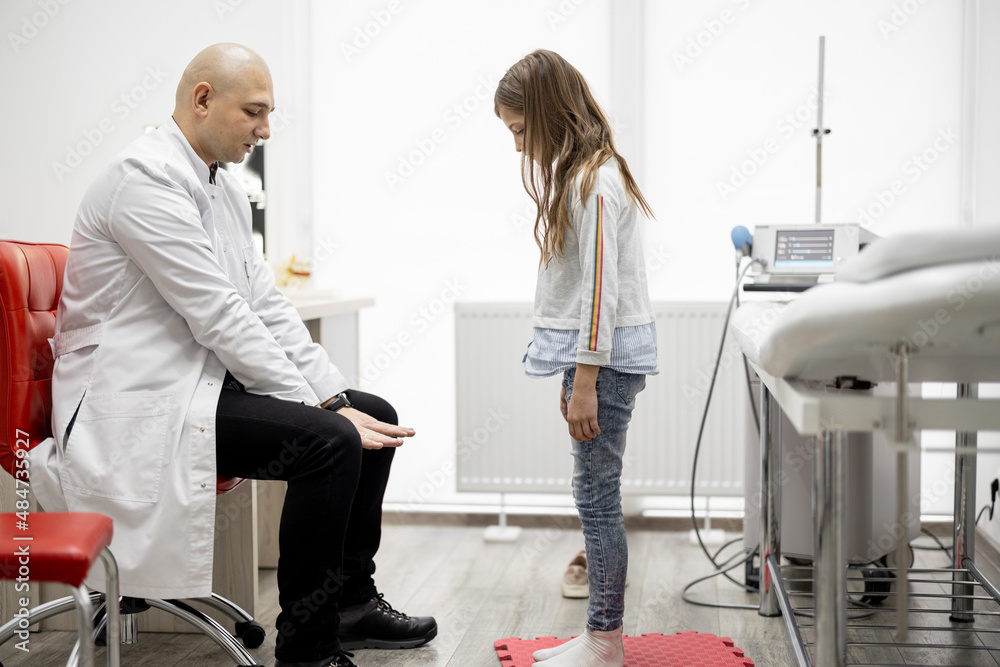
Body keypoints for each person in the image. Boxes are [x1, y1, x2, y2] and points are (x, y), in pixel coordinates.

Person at [29, 43, 436, 667]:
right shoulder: (143, 180)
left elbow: (264, 304)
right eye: (254, 112)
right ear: (201, 100)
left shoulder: (221, 189)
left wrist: (335, 395)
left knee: (369, 411)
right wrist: (326, 412)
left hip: (189, 388)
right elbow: (217, 313)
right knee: (331, 441)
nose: (265, 130)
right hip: (134, 403)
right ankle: (308, 648)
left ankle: (351, 603)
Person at [494, 49, 658, 667]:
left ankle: (604, 640)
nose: (517, 147)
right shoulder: (590, 173)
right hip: (599, 362)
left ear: (545, 114)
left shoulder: (594, 181)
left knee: (596, 498)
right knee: (594, 494)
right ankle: (599, 634)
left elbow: (600, 293)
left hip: (603, 364)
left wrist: (584, 377)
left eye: (518, 130)